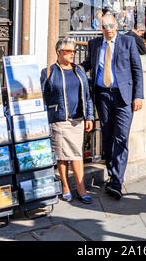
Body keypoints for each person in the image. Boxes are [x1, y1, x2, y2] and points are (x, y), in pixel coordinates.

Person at [81, 13, 144, 199]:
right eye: (104, 26)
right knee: (107, 137)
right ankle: (112, 174)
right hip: (102, 95)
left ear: (117, 25)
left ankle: (117, 181)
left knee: (121, 138)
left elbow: (137, 70)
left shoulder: (128, 42)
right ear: (100, 28)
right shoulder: (94, 44)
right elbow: (87, 64)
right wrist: (67, 67)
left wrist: (138, 96)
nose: (108, 29)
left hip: (123, 97)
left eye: (111, 25)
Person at [40, 37, 94, 204]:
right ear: (59, 52)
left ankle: (80, 187)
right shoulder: (48, 72)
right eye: (69, 51)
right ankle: (65, 186)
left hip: (77, 120)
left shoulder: (79, 70)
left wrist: (89, 116)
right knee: (62, 156)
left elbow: (87, 95)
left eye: (74, 51)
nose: (72, 54)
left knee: (77, 155)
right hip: (59, 119)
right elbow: (41, 97)